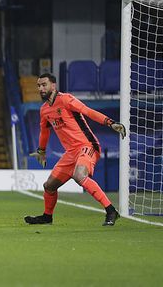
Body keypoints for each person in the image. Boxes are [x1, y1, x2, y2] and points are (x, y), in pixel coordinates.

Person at [25, 73, 126, 226]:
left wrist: (110, 122)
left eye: (44, 84)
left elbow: (88, 112)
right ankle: (47, 217)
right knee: (49, 186)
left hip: (87, 145)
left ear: (53, 85)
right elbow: (44, 131)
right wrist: (41, 150)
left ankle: (111, 210)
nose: (41, 88)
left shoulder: (66, 99)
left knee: (79, 175)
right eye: (39, 86)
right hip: (71, 152)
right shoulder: (44, 110)